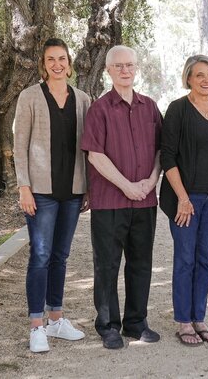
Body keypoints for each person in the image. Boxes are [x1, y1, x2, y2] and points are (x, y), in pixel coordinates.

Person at [81, 45, 163, 350]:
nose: (125, 70)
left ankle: (136, 322)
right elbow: (95, 155)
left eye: (130, 65)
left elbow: (160, 151)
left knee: (141, 263)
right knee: (107, 265)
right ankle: (108, 325)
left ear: (136, 68)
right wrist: (126, 185)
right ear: (109, 71)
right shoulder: (99, 109)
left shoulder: (150, 107)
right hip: (110, 202)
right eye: (119, 66)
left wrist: (152, 180)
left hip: (145, 200)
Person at [14, 38, 91, 353]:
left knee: (61, 256)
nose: (57, 64)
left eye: (62, 58)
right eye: (51, 59)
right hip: (41, 192)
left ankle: (56, 319)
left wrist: (86, 187)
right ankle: (36, 326)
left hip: (72, 191)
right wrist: (24, 186)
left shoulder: (83, 99)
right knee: (41, 256)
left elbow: (89, 146)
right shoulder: (29, 97)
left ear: (69, 64)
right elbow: (20, 144)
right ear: (43, 64)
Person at [159, 55, 208, 346]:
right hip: (185, 198)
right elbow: (167, 155)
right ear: (188, 78)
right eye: (199, 75)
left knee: (205, 259)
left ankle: (199, 317)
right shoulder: (178, 109)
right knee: (185, 259)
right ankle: (183, 321)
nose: (206, 80)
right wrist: (182, 198)